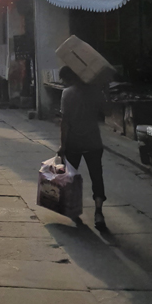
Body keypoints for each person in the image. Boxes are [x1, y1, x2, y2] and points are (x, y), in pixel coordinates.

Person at [58, 65, 108, 230]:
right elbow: (105, 113)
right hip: (94, 142)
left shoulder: (67, 94)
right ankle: (99, 213)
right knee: (97, 177)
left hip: (74, 143)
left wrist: (62, 145)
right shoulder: (95, 92)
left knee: (71, 177)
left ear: (69, 78)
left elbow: (64, 123)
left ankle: (73, 211)